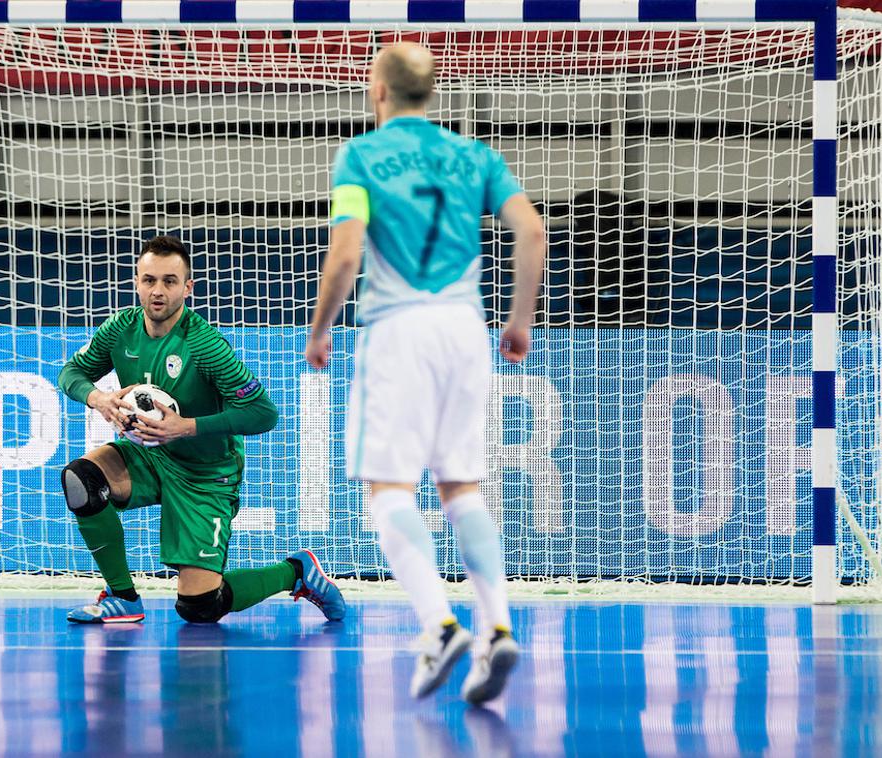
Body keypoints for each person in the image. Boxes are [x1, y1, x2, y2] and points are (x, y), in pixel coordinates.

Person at [305, 43, 546, 704]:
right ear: (429, 92)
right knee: (461, 488)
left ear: (378, 92)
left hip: (399, 331)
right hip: (466, 329)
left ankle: (440, 627)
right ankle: (497, 627)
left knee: (390, 490)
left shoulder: (361, 156)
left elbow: (347, 249)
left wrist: (321, 329)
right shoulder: (476, 157)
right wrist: (518, 321)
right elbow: (532, 232)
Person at [59, 235, 345, 625]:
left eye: (170, 281)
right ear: (137, 281)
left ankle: (297, 571)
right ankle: (122, 598)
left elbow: (263, 413)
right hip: (150, 454)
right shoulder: (120, 329)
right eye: (149, 280)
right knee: (82, 479)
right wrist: (99, 398)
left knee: (201, 607)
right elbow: (71, 372)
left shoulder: (205, 345)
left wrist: (185, 427)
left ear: (187, 287)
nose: (157, 291)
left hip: (205, 473)